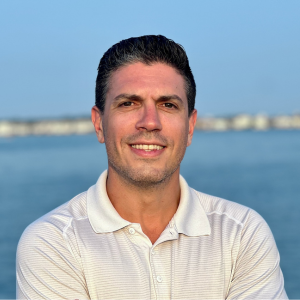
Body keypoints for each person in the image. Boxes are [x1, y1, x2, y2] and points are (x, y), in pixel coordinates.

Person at [16, 35, 287, 299]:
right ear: (99, 124)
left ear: (190, 127)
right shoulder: (53, 242)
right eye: (128, 103)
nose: (149, 122)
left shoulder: (242, 234)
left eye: (167, 104)